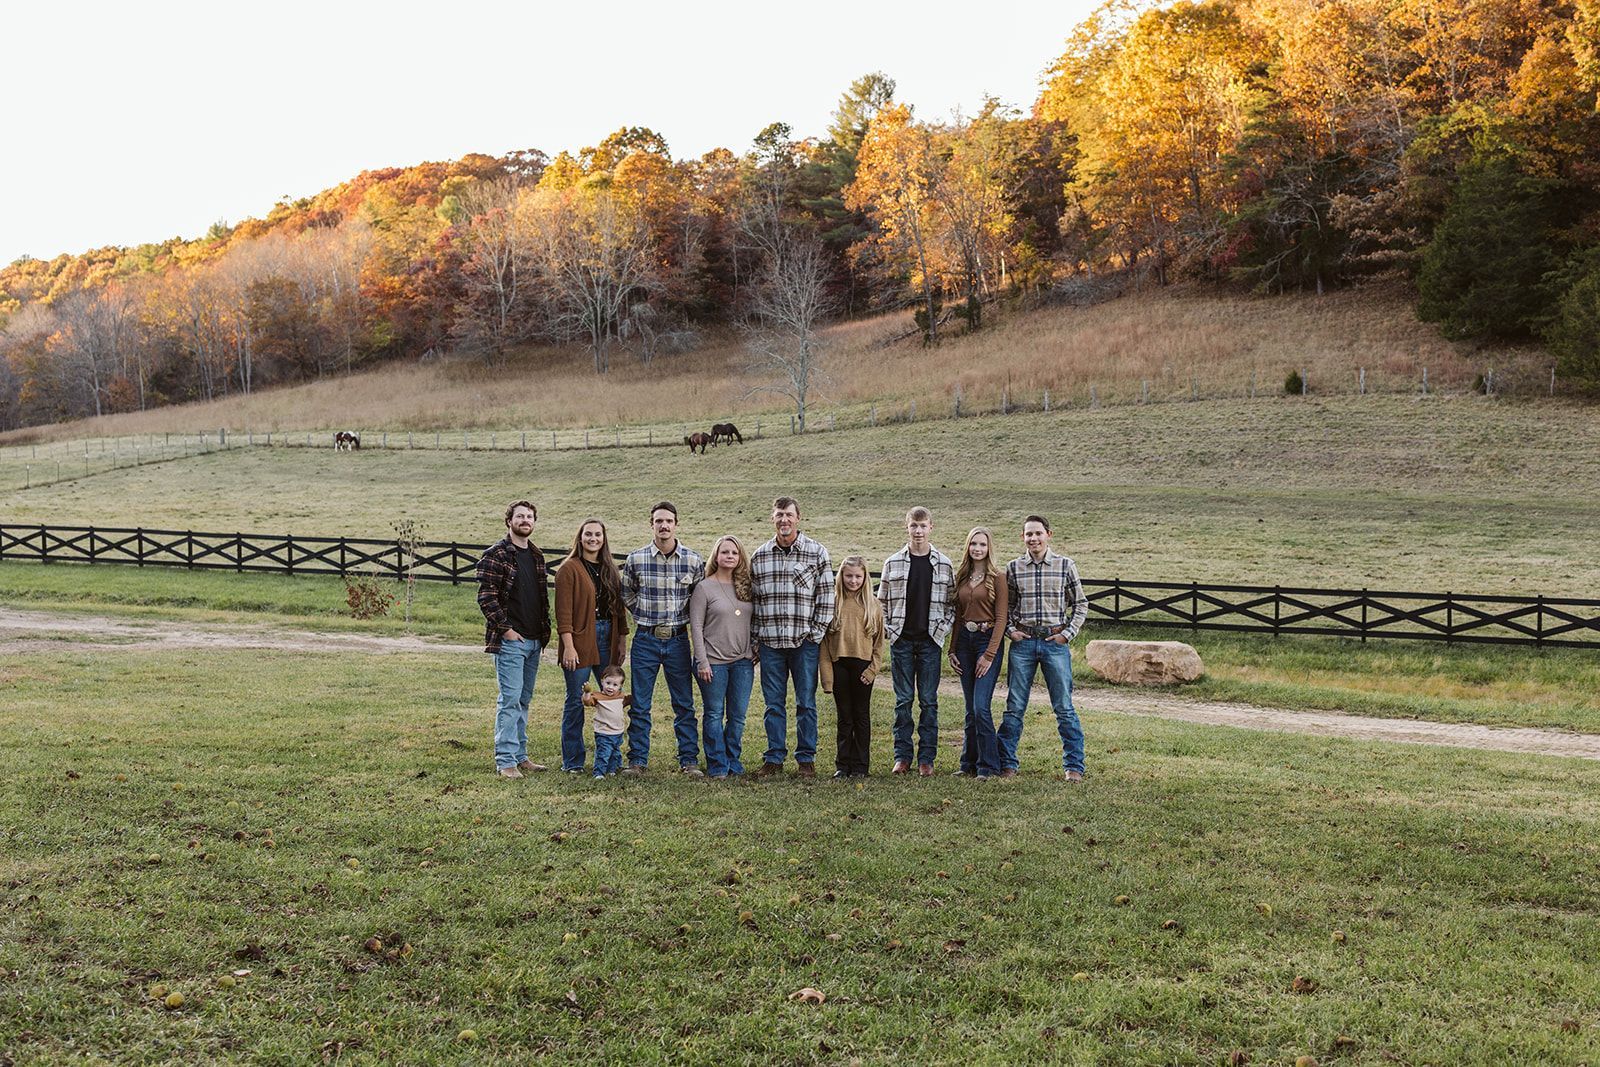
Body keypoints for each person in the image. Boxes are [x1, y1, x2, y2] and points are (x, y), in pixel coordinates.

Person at [750, 496, 835, 777]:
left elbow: (826, 597)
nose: (783, 520)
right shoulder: (760, 556)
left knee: (805, 703)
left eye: (788, 515)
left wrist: (815, 635)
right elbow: (754, 603)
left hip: (803, 644)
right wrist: (755, 639)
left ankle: (806, 759)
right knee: (773, 705)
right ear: (772, 519)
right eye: (778, 515)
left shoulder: (815, 552)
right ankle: (774, 757)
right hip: (771, 643)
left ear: (798, 518)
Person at [998, 515, 1089, 781]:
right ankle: (1008, 763)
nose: (1033, 539)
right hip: (1023, 643)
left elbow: (1080, 604)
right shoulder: (1013, 568)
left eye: (1038, 533)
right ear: (1022, 537)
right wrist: (1010, 631)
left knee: (1063, 706)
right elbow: (1006, 607)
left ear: (1049, 534)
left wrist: (1067, 634)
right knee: (1014, 705)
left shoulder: (1065, 566)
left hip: (1054, 642)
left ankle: (1074, 766)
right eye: (1028, 534)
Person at [619, 501, 704, 776]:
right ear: (651, 524)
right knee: (641, 703)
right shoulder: (637, 558)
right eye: (659, 521)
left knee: (683, 703)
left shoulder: (693, 560)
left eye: (668, 521)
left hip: (678, 640)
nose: (664, 526)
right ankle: (637, 761)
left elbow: (699, 599)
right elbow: (626, 592)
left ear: (676, 524)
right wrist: (640, 613)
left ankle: (688, 760)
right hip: (646, 639)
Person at [475, 499, 552, 779]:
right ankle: (505, 760)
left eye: (530, 516)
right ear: (509, 521)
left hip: (534, 640)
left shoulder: (536, 556)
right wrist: (506, 629)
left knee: (524, 700)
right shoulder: (496, 554)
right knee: (509, 700)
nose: (525, 520)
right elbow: (486, 597)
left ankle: (521, 756)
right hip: (510, 641)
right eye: (520, 516)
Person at [877, 506, 955, 776]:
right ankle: (902, 756)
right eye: (914, 526)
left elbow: (951, 604)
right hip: (902, 641)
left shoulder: (944, 563)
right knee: (903, 700)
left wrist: (942, 629)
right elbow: (882, 602)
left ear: (931, 527)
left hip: (930, 642)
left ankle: (927, 758)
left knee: (929, 701)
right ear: (906, 527)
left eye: (923, 526)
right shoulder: (893, 562)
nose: (918, 531)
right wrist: (889, 629)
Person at [554, 518, 629, 774]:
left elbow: (619, 609)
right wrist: (569, 646)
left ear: (604, 538)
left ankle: (611, 759)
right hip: (580, 638)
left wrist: (621, 639)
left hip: (608, 636)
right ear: (580, 537)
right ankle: (573, 762)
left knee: (612, 697)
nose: (593, 538)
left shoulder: (609, 568)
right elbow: (563, 613)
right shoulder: (569, 568)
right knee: (576, 700)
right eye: (588, 534)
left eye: (598, 534)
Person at [689, 535, 757, 779]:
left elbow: (754, 621)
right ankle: (717, 763)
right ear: (716, 556)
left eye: (734, 553)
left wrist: (754, 648)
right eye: (725, 552)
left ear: (740, 558)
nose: (730, 556)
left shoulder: (746, 587)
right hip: (713, 661)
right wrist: (702, 661)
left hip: (743, 661)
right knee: (715, 713)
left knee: (737, 716)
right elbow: (696, 627)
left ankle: (733, 761)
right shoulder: (704, 587)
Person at [949, 526, 1008, 781]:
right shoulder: (961, 576)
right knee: (970, 708)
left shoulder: (998, 577)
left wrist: (989, 655)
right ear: (968, 547)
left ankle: (989, 766)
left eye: (982, 545)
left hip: (987, 640)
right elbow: (957, 617)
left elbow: (1002, 617)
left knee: (981, 706)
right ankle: (967, 763)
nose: (977, 549)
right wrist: (951, 648)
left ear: (989, 548)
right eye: (974, 544)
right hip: (964, 642)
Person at [820, 555, 885, 778]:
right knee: (844, 717)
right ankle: (843, 764)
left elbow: (879, 643)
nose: (853, 581)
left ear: (865, 577)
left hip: (863, 667)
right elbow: (825, 644)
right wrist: (827, 677)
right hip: (839, 664)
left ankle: (860, 766)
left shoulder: (873, 605)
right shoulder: (832, 602)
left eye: (858, 576)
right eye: (849, 576)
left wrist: (873, 669)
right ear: (841, 576)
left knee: (861, 716)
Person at [581, 666, 631, 779]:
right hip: (604, 732)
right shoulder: (598, 696)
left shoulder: (621, 697)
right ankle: (599, 773)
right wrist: (587, 693)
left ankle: (611, 769)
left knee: (615, 753)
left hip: (618, 732)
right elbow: (587, 702)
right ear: (602, 681)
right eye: (608, 683)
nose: (610, 687)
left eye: (615, 685)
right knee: (603, 753)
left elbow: (631, 699)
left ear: (620, 686)